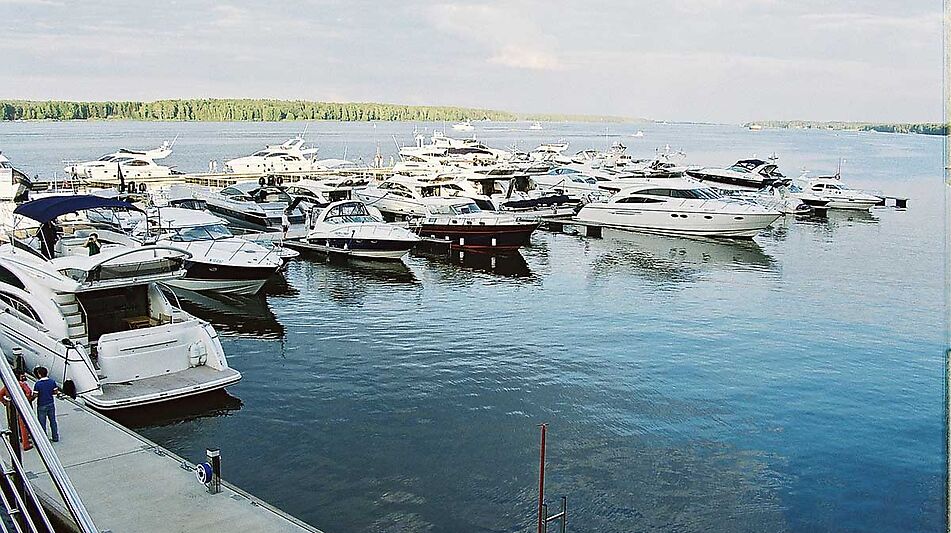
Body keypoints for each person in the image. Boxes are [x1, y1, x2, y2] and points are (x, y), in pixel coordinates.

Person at [0, 371, 33, 450]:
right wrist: (26, 400)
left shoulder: (7, 386)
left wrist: (4, 402)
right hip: (21, 407)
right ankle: (26, 444)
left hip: (11, 408)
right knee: (23, 425)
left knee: (13, 425)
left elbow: (0, 394)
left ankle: (17, 439)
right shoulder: (22, 385)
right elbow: (29, 392)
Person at [32, 367, 58, 443]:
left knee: (42, 422)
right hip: (50, 403)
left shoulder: (38, 384)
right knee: (53, 421)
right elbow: (55, 392)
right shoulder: (52, 382)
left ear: (39, 374)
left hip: (41, 404)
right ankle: (55, 437)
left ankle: (44, 439)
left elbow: (35, 395)